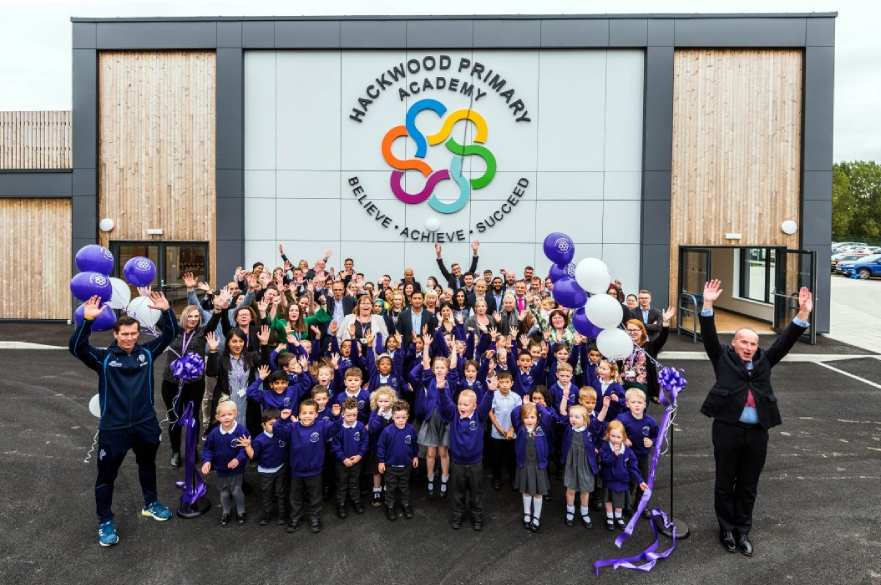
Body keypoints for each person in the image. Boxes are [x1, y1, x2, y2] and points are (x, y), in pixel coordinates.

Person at [699, 279, 812, 557]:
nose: (749, 347)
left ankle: (742, 530)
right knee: (725, 482)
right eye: (744, 342)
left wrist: (803, 313)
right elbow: (709, 334)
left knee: (749, 484)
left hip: (757, 431)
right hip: (727, 429)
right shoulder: (721, 357)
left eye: (753, 343)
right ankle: (725, 528)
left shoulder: (764, 360)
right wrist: (708, 304)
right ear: (734, 343)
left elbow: (785, 341)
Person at [69, 292, 178, 547]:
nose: (129, 338)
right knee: (106, 477)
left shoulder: (147, 353)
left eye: (133, 333)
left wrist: (166, 310)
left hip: (145, 424)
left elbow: (170, 334)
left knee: (147, 465)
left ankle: (151, 503)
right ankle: (105, 520)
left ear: (138, 333)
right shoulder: (104, 358)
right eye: (124, 334)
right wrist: (86, 320)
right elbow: (76, 348)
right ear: (116, 335)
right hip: (114, 428)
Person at [274, 399, 342, 534]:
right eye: (304, 413)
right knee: (295, 497)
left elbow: (336, 428)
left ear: (316, 414)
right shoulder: (292, 427)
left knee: (315, 497)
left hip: (315, 471)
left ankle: (315, 518)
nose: (307, 415)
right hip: (297, 472)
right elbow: (278, 432)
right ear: (299, 414)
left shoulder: (322, 426)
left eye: (311, 413)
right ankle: (295, 518)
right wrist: (281, 419)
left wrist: (336, 416)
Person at [437, 374, 496, 531]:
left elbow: (486, 404)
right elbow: (445, 405)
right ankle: (458, 515)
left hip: (475, 463)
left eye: (466, 404)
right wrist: (441, 389)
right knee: (458, 492)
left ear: (474, 406)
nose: (462, 407)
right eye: (460, 404)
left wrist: (490, 391)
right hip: (457, 463)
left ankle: (477, 517)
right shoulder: (454, 415)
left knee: (476, 493)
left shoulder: (479, 416)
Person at [160, 304, 209, 467]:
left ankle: (191, 449)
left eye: (196, 316)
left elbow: (215, 321)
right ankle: (175, 451)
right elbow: (159, 321)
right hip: (171, 383)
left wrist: (219, 309)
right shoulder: (173, 331)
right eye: (190, 316)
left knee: (193, 418)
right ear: (184, 316)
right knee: (174, 417)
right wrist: (161, 308)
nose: (194, 319)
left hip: (194, 384)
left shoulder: (202, 333)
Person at [201, 400, 250, 526]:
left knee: (236, 490)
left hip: (237, 469)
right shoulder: (214, 433)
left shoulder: (241, 431)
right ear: (217, 417)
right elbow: (207, 449)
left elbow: (245, 449)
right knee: (224, 492)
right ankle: (226, 511)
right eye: (223, 415)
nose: (227, 417)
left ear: (236, 414)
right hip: (221, 469)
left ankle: (241, 511)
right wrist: (207, 461)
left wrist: (237, 459)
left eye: (230, 414)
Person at [510, 400, 555, 532]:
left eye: (532, 417)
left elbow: (547, 416)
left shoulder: (542, 428)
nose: (529, 420)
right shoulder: (520, 428)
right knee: (526, 492)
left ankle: (536, 517)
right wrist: (524, 404)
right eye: (526, 417)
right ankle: (527, 514)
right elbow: (514, 413)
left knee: (538, 494)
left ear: (537, 418)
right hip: (524, 465)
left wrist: (538, 406)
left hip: (538, 466)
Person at [599, 420, 648, 531]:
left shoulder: (628, 451)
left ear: (623, 438)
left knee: (620, 501)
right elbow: (605, 461)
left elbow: (633, 467)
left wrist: (640, 480)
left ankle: (618, 516)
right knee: (609, 500)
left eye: (618, 437)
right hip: (609, 479)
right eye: (613, 436)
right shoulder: (605, 447)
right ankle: (610, 517)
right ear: (608, 435)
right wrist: (614, 455)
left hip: (622, 481)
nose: (615, 439)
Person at [616, 388, 659, 512]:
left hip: (642, 456)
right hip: (627, 457)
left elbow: (658, 436)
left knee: (643, 481)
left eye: (640, 402)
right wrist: (623, 439)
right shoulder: (622, 419)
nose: (637, 405)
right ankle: (625, 506)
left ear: (645, 404)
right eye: (633, 402)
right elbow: (612, 430)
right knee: (628, 481)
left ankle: (640, 506)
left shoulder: (650, 421)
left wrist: (652, 441)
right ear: (627, 404)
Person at [243, 409, 288, 526]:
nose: (275, 427)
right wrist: (248, 446)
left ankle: (282, 515)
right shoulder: (259, 440)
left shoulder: (281, 435)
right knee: (267, 494)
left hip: (280, 469)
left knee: (280, 493)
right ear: (263, 425)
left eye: (277, 424)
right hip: (266, 472)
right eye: (271, 424)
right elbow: (252, 455)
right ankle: (267, 515)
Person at [376, 400, 419, 521]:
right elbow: (381, 447)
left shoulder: (411, 430)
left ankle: (405, 505)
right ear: (393, 416)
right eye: (398, 417)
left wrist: (415, 456)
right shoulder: (387, 431)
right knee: (390, 488)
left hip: (406, 465)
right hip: (390, 466)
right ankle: (390, 507)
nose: (400, 420)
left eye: (403, 417)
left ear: (407, 417)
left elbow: (414, 444)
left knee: (405, 487)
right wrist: (381, 461)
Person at [331, 398, 369, 519]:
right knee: (342, 483)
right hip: (341, 462)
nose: (351, 417)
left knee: (354, 482)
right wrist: (343, 459)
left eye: (354, 415)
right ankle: (341, 504)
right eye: (348, 415)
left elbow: (365, 442)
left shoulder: (360, 426)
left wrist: (359, 456)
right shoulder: (338, 428)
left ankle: (356, 501)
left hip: (356, 461)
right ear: (342, 414)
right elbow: (335, 445)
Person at [487, 371, 522, 491]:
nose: (504, 385)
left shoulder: (516, 397)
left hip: (512, 433)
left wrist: (511, 430)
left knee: (512, 458)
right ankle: (497, 478)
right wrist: (501, 429)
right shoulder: (493, 395)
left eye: (507, 382)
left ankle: (513, 479)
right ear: (498, 384)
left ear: (512, 383)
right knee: (497, 458)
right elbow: (491, 413)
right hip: (497, 433)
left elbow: (518, 415)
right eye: (501, 382)